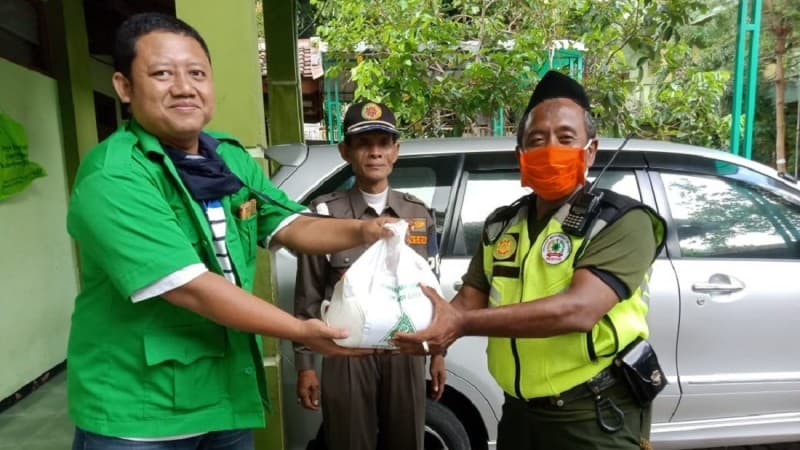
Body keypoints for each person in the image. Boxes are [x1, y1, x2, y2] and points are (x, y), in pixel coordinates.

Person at [66, 13, 391, 450]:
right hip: (141, 415)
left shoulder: (227, 159)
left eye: (197, 73)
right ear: (124, 87)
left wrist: (365, 229)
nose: (184, 87)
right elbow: (191, 288)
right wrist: (301, 332)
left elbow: (292, 225)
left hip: (223, 394)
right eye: (162, 74)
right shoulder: (115, 176)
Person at [393, 71, 667, 450]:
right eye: (536, 140)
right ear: (521, 154)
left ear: (590, 150)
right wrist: (418, 327)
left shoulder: (622, 221)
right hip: (520, 414)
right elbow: (470, 297)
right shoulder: (502, 225)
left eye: (565, 138)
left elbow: (577, 310)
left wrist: (460, 324)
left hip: (591, 414)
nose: (550, 148)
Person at [293, 100, 446, 450]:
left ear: (396, 151)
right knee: (349, 442)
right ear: (345, 151)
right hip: (347, 351)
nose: (374, 153)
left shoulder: (417, 214)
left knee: (407, 439)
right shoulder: (324, 213)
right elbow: (308, 294)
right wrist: (306, 365)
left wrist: (438, 352)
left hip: (404, 351)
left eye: (383, 143)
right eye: (363, 144)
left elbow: (432, 291)